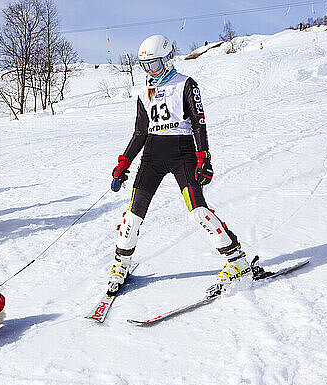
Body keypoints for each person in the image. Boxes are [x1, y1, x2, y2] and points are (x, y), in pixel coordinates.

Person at [107, 34, 256, 296]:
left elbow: (199, 122)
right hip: (152, 155)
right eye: (145, 66)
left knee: (198, 211)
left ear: (167, 59)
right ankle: (121, 263)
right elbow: (140, 132)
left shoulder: (186, 84)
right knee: (134, 213)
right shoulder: (144, 91)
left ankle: (238, 260)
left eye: (154, 65)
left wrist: (204, 156)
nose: (150, 71)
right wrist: (124, 161)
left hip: (182, 153)